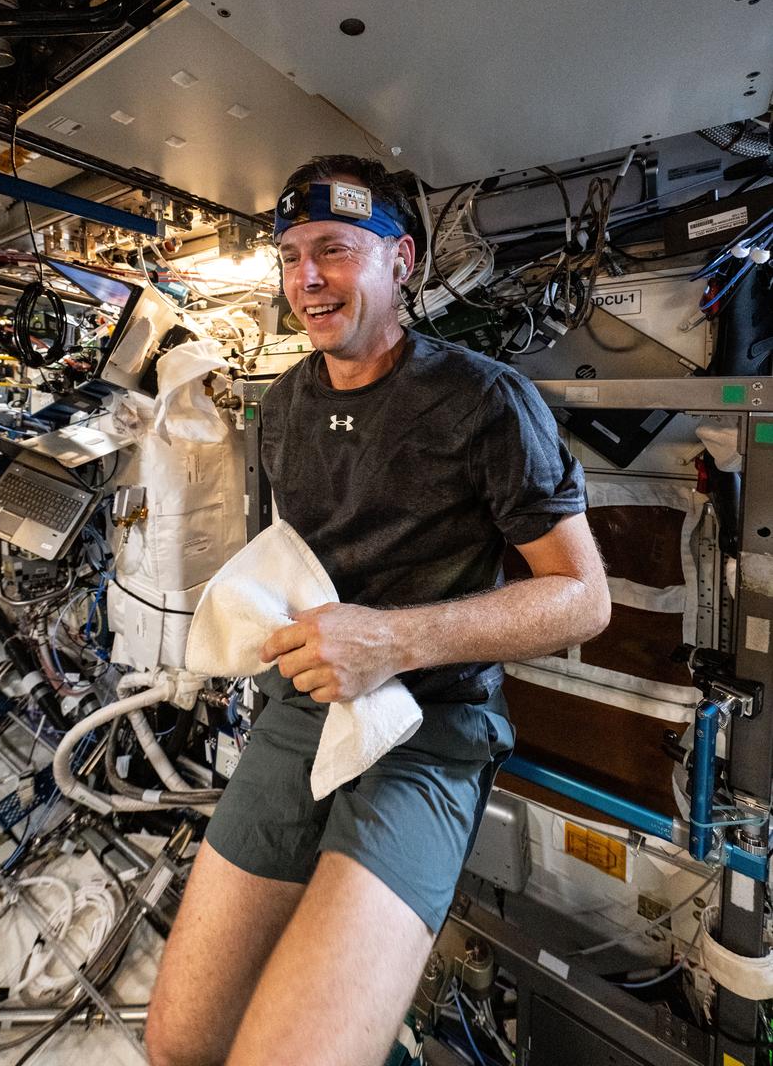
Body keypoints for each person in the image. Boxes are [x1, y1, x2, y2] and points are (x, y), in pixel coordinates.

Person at [145, 155, 611, 1066]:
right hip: (299, 712)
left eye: (333, 250)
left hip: (430, 729)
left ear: (401, 262)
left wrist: (394, 639)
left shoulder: (484, 400)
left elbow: (581, 598)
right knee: (180, 1044)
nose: (306, 278)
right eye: (288, 256)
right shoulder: (280, 405)